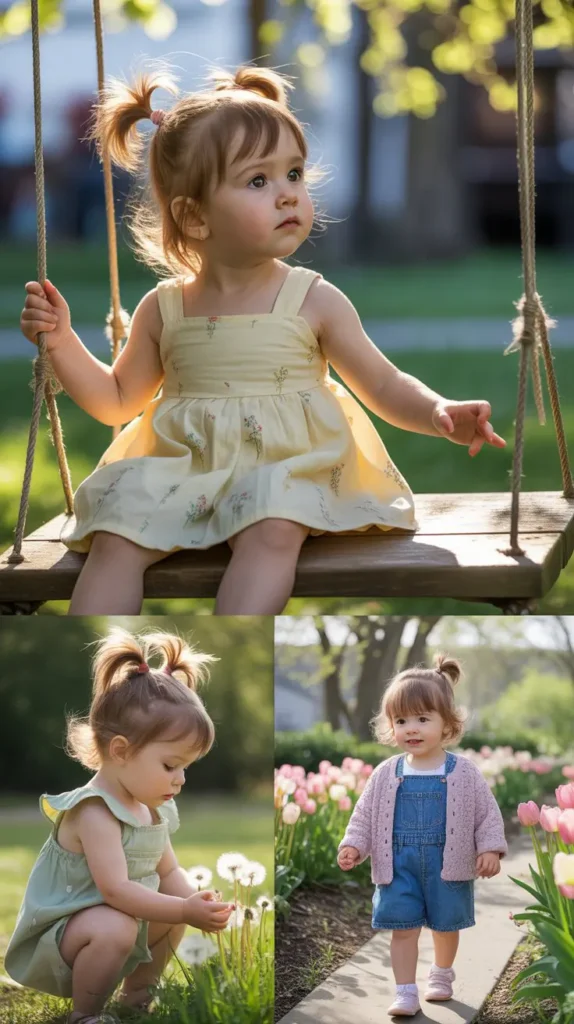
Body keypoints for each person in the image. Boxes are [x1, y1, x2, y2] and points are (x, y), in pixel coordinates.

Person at [20, 64, 506, 616]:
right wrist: (60, 342)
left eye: (294, 174)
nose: (287, 196)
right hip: (187, 469)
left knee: (271, 528)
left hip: (288, 469)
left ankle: (238, 642)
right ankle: (103, 656)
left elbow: (384, 382)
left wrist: (438, 411)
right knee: (115, 538)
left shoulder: (313, 300)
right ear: (194, 217)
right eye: (258, 181)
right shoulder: (165, 308)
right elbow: (117, 399)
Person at [5, 626, 233, 1024]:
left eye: (186, 768)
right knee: (120, 924)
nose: (180, 780)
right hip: (61, 938)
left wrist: (198, 906)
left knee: (167, 915)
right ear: (121, 751)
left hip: (116, 921)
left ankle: (137, 1000)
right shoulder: (94, 812)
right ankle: (85, 1013)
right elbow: (115, 890)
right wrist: (182, 909)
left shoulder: (152, 808)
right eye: (170, 765)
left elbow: (169, 871)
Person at [337, 655, 507, 1017]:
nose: (411, 728)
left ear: (448, 724)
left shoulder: (464, 772)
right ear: (391, 726)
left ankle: (441, 974)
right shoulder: (386, 773)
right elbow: (365, 815)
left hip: (450, 861)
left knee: (445, 925)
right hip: (397, 864)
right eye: (401, 721)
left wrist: (490, 848)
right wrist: (354, 844)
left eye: (423, 719)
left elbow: (486, 812)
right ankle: (404, 991)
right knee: (403, 927)